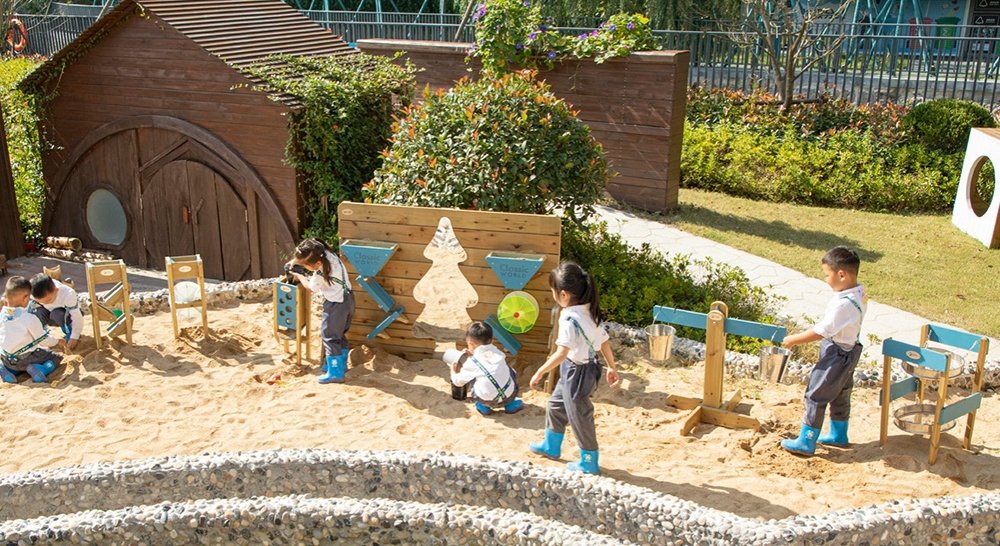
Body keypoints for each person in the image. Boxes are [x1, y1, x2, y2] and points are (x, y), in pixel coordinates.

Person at [528, 261, 620, 475]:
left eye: (553, 291)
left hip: (577, 372)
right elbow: (604, 342)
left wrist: (540, 371)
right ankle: (551, 445)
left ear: (563, 294)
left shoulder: (569, 319)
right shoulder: (590, 311)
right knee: (556, 404)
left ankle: (589, 460)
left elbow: (561, 352)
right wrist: (611, 367)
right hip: (583, 367)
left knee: (579, 415)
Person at [780, 246, 867, 456]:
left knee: (816, 395)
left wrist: (793, 340)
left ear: (841, 275)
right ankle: (838, 434)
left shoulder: (843, 305)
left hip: (836, 355)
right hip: (850, 352)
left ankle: (806, 440)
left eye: (827, 275)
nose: (826, 279)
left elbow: (821, 331)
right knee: (840, 393)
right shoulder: (859, 293)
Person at [286, 238, 355, 384]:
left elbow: (310, 288)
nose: (305, 267)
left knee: (329, 336)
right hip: (348, 300)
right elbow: (312, 246)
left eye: (306, 266)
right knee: (339, 334)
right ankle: (340, 365)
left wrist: (300, 276)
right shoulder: (330, 255)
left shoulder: (319, 274)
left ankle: (335, 372)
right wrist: (295, 261)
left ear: (317, 264)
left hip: (335, 305)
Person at [448, 321, 524, 416]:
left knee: (474, 377)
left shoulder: (472, 363)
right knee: (509, 370)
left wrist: (453, 371)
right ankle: (510, 405)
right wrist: (472, 355)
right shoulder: (498, 353)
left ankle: (483, 407)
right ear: (491, 341)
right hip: (509, 395)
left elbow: (457, 382)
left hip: (487, 400)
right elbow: (486, 361)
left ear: (470, 343)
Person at [1, 276, 65, 384]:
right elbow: (43, 340)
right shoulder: (29, 318)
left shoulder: (2, 314)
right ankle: (41, 369)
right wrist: (57, 341)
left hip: (7, 358)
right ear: (25, 298)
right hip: (26, 358)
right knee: (56, 358)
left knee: (14, 361)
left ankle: (8, 371)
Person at [29, 274, 84, 351]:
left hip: (66, 316)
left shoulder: (68, 294)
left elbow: (77, 318)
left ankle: (69, 332)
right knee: (37, 312)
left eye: (48, 300)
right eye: (42, 302)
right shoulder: (32, 294)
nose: (46, 303)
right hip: (49, 314)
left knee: (57, 314)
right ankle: (43, 337)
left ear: (56, 290)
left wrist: (74, 337)